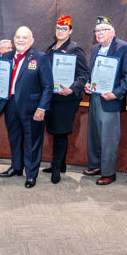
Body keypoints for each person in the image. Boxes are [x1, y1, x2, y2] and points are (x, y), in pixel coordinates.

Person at [0, 26, 52, 188]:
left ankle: (31, 174)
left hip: (32, 108)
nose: (21, 40)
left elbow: (48, 86)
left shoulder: (40, 57)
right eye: (18, 37)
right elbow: (0, 79)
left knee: (32, 142)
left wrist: (42, 108)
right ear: (14, 39)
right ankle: (16, 167)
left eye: (24, 37)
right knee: (14, 138)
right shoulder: (7, 56)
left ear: (31, 41)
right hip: (10, 104)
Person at [83, 16, 127, 185]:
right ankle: (96, 165)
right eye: (97, 31)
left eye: (103, 30)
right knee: (94, 134)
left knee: (108, 137)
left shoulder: (124, 48)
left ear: (113, 32)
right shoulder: (96, 48)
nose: (99, 33)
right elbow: (92, 72)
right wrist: (88, 84)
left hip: (110, 99)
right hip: (95, 97)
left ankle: (109, 172)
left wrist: (116, 93)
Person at [42, 15, 89, 184]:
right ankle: (59, 164)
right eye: (58, 28)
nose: (60, 31)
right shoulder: (51, 48)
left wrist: (72, 88)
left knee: (61, 132)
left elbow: (84, 74)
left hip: (67, 98)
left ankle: (56, 169)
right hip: (52, 97)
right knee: (54, 130)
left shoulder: (75, 49)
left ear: (70, 31)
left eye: (64, 29)